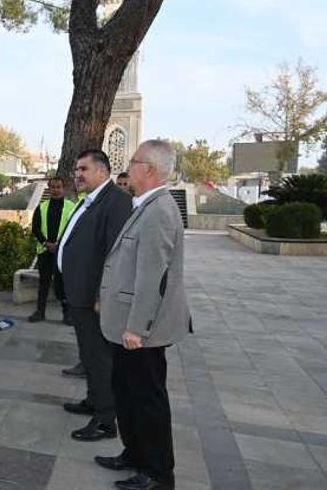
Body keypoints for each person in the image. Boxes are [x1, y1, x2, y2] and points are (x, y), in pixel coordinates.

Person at [95, 141, 190, 490]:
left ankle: (158, 474)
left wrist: (137, 327)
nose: (127, 167)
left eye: (132, 162)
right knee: (127, 392)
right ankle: (134, 454)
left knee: (147, 400)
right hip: (126, 326)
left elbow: (153, 278)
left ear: (148, 169)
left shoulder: (160, 210)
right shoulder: (145, 205)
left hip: (141, 332)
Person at [57, 149, 132, 442]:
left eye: (84, 169)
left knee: (99, 357)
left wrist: (104, 293)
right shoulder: (89, 200)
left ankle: (105, 419)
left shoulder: (116, 202)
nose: (78, 174)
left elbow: (116, 253)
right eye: (77, 169)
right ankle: (93, 400)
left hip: (93, 296)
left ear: (102, 171)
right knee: (88, 354)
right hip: (78, 292)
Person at [28, 177, 76, 323]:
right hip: (45, 250)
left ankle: (67, 314)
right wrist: (46, 243)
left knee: (64, 284)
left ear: (64, 188)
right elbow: (35, 228)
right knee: (44, 283)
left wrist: (59, 245)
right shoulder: (42, 207)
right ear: (49, 189)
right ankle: (40, 312)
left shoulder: (71, 207)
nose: (55, 190)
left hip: (63, 252)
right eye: (53, 187)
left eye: (58, 187)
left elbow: (74, 229)